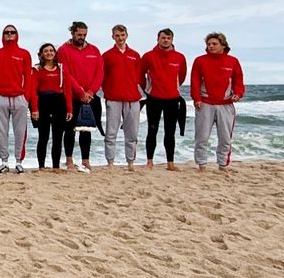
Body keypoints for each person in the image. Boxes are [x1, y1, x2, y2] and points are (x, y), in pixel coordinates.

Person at [192, 32, 246, 172]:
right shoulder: (200, 61)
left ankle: (223, 165)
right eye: (209, 44)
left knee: (225, 138)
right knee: (202, 137)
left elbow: (238, 81)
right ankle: (201, 165)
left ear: (223, 45)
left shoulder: (232, 61)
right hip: (205, 104)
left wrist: (238, 94)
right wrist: (196, 98)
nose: (211, 46)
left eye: (214, 44)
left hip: (226, 105)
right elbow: (195, 81)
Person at [59, 22, 104, 172]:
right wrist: (80, 92)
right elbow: (66, 74)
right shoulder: (63, 50)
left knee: (86, 129)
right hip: (71, 95)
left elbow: (100, 73)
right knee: (69, 129)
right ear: (72, 33)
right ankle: (69, 160)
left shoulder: (94, 50)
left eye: (84, 35)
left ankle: (85, 160)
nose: (82, 37)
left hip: (90, 97)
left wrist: (90, 92)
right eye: (79, 34)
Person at [142, 29, 188, 171]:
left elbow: (181, 76)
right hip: (154, 98)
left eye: (168, 38)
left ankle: (170, 163)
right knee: (152, 130)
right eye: (163, 38)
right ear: (158, 39)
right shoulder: (149, 56)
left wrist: (172, 89)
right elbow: (140, 75)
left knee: (170, 132)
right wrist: (148, 89)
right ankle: (149, 161)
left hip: (172, 99)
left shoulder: (179, 57)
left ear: (172, 40)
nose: (166, 40)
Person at [0, 25, 32, 173]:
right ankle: (4, 162)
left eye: (12, 32)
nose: (9, 35)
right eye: (6, 32)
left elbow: (28, 77)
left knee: (20, 131)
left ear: (16, 35)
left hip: (19, 98)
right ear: (3, 35)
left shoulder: (24, 54)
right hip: (0, 98)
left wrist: (26, 97)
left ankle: (19, 162)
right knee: (1, 131)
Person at [102, 24, 144, 171]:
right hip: (113, 98)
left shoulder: (135, 55)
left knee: (132, 133)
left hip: (133, 99)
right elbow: (103, 77)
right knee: (111, 132)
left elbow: (139, 76)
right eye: (117, 35)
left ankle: (130, 162)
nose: (120, 38)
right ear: (113, 36)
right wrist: (108, 92)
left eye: (122, 35)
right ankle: (110, 162)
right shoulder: (107, 55)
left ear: (126, 35)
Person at [29, 43, 77, 172]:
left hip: (58, 103)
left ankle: (56, 166)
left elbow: (67, 90)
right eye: (46, 51)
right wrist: (34, 109)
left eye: (51, 50)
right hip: (43, 102)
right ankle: (41, 166)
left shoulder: (62, 69)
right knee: (43, 136)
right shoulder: (37, 69)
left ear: (55, 53)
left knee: (57, 136)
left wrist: (69, 109)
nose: (49, 53)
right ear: (41, 54)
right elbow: (33, 90)